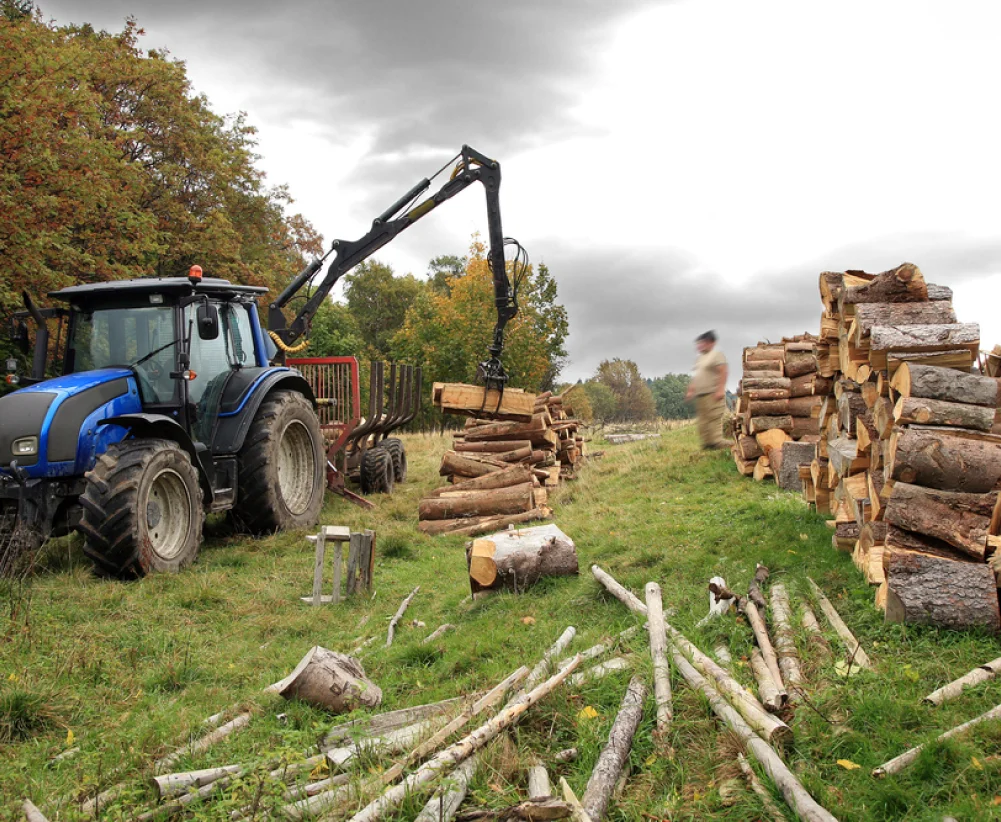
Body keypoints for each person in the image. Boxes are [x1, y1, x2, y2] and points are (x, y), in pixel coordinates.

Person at [685, 330, 728, 449]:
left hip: (712, 394)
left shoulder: (717, 355)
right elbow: (697, 375)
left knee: (713, 420)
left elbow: (723, 371)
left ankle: (720, 444)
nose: (699, 346)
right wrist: (691, 390)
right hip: (701, 396)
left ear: (710, 343)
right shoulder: (700, 359)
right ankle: (707, 445)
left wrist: (720, 389)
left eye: (702, 343)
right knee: (703, 423)